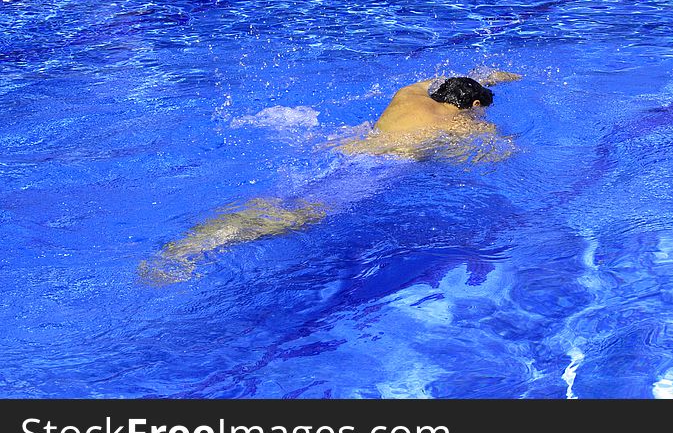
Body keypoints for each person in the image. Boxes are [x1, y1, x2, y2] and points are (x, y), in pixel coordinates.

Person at [139, 68, 522, 284]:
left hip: (345, 148)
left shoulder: (409, 96)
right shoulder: (465, 126)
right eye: (479, 110)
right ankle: (187, 250)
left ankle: (199, 239)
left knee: (289, 202)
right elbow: (491, 158)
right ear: (472, 105)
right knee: (299, 214)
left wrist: (487, 78)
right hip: (375, 169)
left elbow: (441, 77)